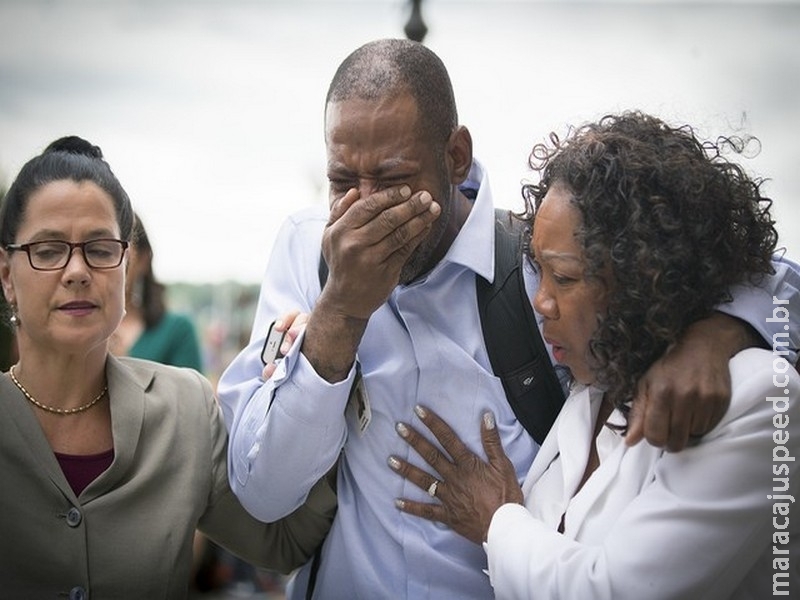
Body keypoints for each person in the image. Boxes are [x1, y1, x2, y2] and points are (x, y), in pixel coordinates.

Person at [218, 39, 799, 599]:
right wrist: (340, 311)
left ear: (455, 156)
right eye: (343, 182)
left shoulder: (536, 259)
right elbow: (264, 492)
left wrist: (719, 333)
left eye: (394, 182)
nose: (364, 208)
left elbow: (759, 272)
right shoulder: (306, 249)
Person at [389, 111, 800, 599]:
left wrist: (496, 521)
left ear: (645, 274)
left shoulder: (754, 398)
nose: (539, 301)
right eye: (536, 269)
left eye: (563, 277)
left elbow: (616, 590)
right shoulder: (595, 384)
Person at [0, 136, 336, 599]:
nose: (76, 270)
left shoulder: (185, 411)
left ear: (127, 268)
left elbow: (283, 543)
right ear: (6, 276)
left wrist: (330, 361)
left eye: (100, 249)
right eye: (48, 249)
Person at [111, 212, 203, 371]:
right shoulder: (77, 330)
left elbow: (189, 394)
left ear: (143, 260)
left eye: (116, 252)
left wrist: (122, 366)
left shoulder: (177, 331)